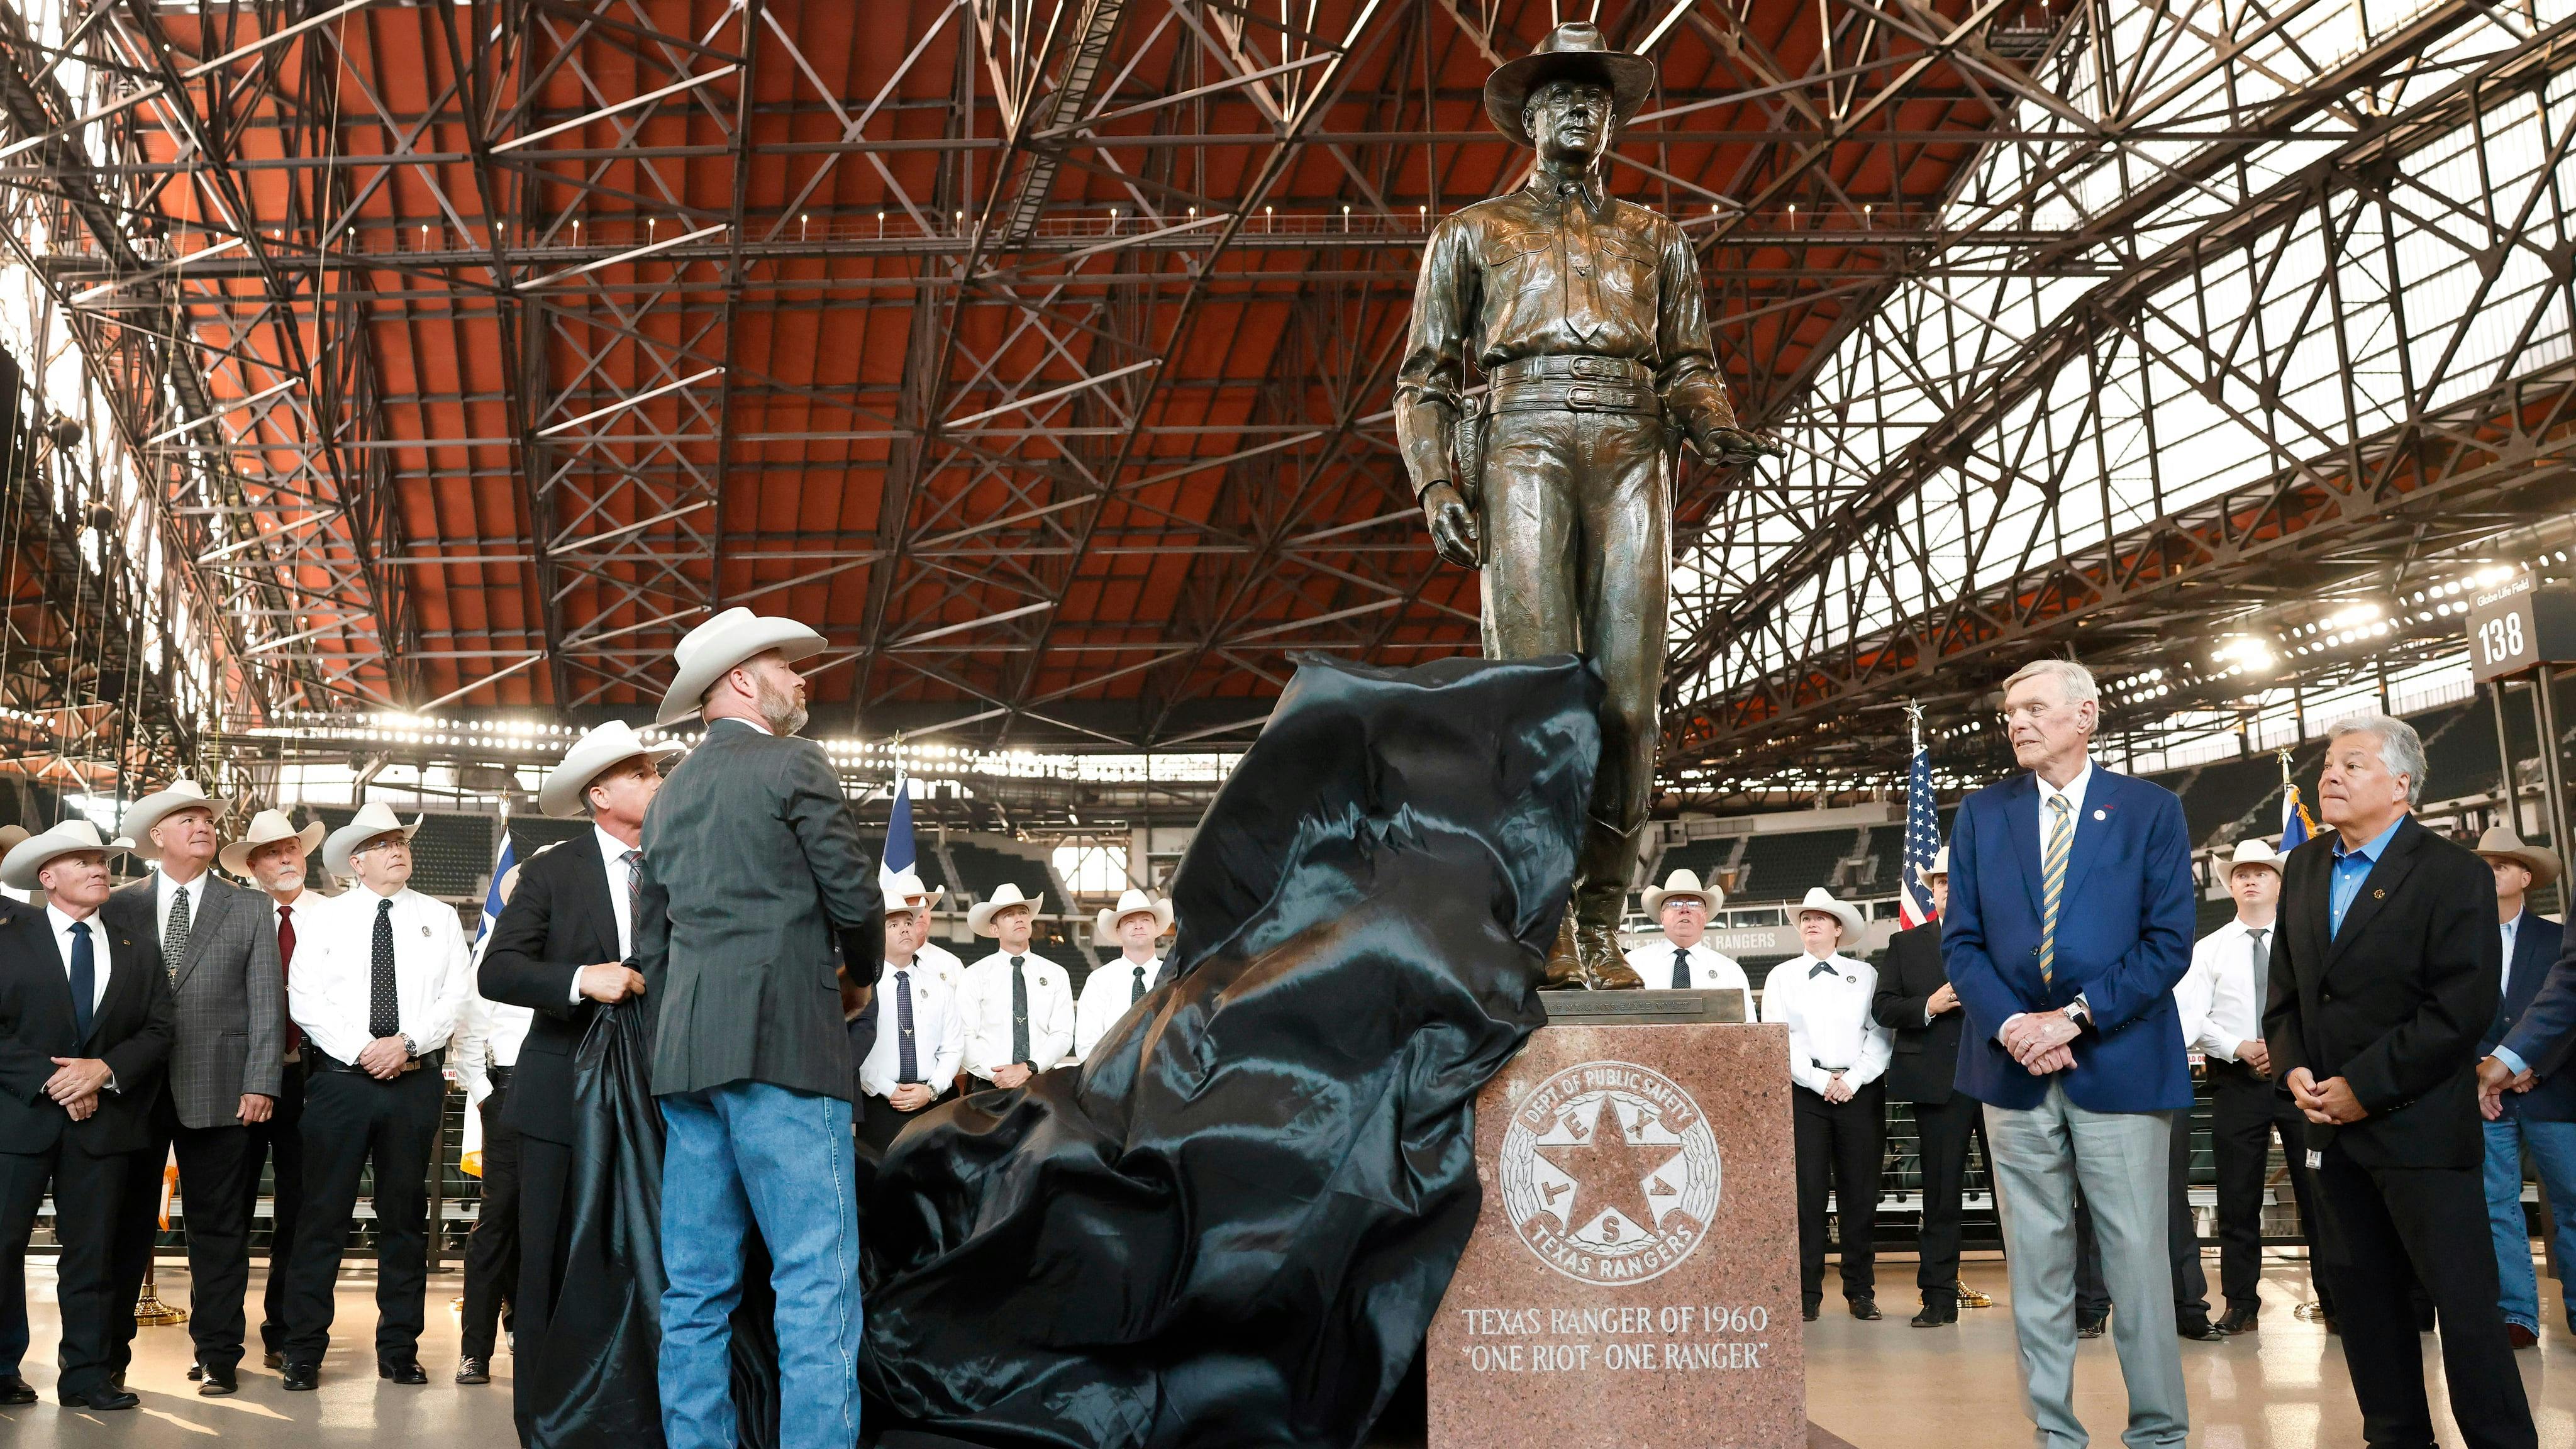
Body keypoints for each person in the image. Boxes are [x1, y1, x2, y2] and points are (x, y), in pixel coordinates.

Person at [1392, 22, 1779, 988]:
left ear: (1613, 123)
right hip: (1521, 436)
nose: (1580, 110)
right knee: (1534, 697)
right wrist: (1437, 477)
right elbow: (1425, 377)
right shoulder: (1473, 232)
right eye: (1561, 97)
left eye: (1598, 100)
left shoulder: (1658, 236)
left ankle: (1602, 921)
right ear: (1528, 118)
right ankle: (1543, 922)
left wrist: (1712, 421)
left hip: (1632, 444)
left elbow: (1691, 363)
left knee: (1629, 704)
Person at [635, 607, 884, 1449]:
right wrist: (862, 978)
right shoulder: (792, 762)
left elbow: (651, 946)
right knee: (817, 1280)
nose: (802, 678)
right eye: (787, 664)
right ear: (742, 680)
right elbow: (854, 897)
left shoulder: (666, 801)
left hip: (689, 1060)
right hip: (786, 1048)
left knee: (696, 1291)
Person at [1944, 657, 2194, 1449]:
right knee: (2035, 1268)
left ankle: (2156, 1433)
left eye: (2033, 708)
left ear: (2085, 714)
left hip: (2118, 1064)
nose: (2015, 722)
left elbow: (2167, 944)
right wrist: (2015, 1025)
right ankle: (2055, 1433)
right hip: (2010, 1069)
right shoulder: (1982, 814)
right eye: (2009, 711)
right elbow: (1962, 942)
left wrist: (2073, 1020)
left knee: (2136, 1266)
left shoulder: (2150, 810)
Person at [2265, 714, 2534, 1449]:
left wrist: (2364, 1085)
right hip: (2328, 1129)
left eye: (2353, 763)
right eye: (2328, 763)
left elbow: (2461, 1008)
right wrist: (2293, 1064)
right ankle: (2393, 1437)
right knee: (2364, 1306)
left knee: (2465, 1311)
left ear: (2401, 784)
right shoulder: (2307, 867)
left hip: (2419, 1131)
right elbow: (2285, 992)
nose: (2331, 774)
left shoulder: (2451, 873)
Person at [477, 721, 670, 1421]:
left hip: (667, 1096)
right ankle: (545, 1417)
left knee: (658, 1261)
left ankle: (644, 1413)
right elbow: (497, 971)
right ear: (599, 793)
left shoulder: (684, 862)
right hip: (561, 1096)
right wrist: (582, 978)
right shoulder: (553, 870)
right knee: (549, 1261)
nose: (658, 782)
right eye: (643, 774)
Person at [277, 801, 473, 1391]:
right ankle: (303, 1350)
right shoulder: (325, 920)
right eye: (384, 844)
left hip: (413, 1081)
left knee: (405, 1219)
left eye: (402, 842)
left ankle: (400, 1350)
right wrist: (366, 1048)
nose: (398, 850)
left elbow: (456, 996)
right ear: (356, 862)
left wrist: (406, 1043)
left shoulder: (439, 917)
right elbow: (305, 998)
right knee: (321, 1218)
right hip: (340, 1082)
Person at [98, 781, 284, 1397]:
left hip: (224, 1090)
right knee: (125, 1228)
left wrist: (262, 1081)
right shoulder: (119, 905)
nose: (203, 826)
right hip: (132, 1090)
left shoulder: (249, 907)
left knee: (220, 1230)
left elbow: (267, 1004)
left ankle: (219, 1354)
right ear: (158, 836)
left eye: (207, 818)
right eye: (188, 818)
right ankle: (107, 1355)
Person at [0, 820, 175, 1411]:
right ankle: (2, 1369)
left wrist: (101, 1070)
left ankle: (87, 1377)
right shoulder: (7, 936)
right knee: (2, 1248)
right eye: (81, 861)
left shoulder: (135, 944)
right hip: (19, 1121)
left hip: (105, 1125)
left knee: (95, 1256)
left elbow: (159, 1029)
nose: (99, 868)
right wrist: (59, 1081)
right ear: (47, 878)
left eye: (101, 860)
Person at [2174, 837, 2314, 1339]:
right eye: (2241, 873)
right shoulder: (2207, 951)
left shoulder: (2305, 943)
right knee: (2237, 1199)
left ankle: (2338, 1300)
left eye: (2262, 872)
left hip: (2304, 1082)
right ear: (2229, 885)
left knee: (2319, 1194)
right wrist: (2238, 1046)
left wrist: (2285, 1048)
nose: (2250, 879)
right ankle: (2240, 1303)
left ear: (2279, 883)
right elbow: (2191, 1019)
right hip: (2237, 1083)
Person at [220, 808, 323, 1369]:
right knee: (225, 1213)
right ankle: (219, 1342)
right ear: (253, 865)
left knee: (300, 1212)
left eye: (293, 849)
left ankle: (283, 1333)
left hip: (310, 1077)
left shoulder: (333, 917)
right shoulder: (233, 915)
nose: (287, 858)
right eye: (274, 852)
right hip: (241, 1079)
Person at [2462, 827, 2573, 1347]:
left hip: (2552, 1091)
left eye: (2499, 865)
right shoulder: (2458, 945)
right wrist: (2487, 1068)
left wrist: (2532, 1066)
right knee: (2494, 1205)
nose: (2488, 874)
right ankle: (2517, 1316)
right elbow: (2449, 1018)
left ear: (2525, 877)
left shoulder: (2557, 939)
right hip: (2486, 1097)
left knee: (2571, 1202)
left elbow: (2568, 1016)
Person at [1871, 847, 1989, 1327]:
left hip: (2000, 1077)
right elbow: (1883, 1008)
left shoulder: (1999, 939)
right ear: (1931, 890)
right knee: (1941, 1195)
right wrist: (1929, 1005)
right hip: (1938, 1082)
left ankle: (2038, 1299)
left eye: (1956, 879)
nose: (1949, 888)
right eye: (1941, 882)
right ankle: (1938, 1297)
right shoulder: (1906, 945)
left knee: (2017, 1197)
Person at [1762, 887, 1890, 1322]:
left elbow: (1881, 1034)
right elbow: (1775, 1036)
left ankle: (1860, 1290)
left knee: (1861, 1196)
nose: (1811, 923)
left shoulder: (1866, 975)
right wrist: (1820, 1081)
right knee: (1807, 1197)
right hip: (1804, 1092)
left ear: (1839, 929)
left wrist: (1852, 1079)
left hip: (1860, 1091)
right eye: (1805, 917)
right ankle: (1806, 1292)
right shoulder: (1781, 976)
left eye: (1821, 917)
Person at [453, 870, 527, 1388]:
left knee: (558, 1220)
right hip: (509, 1092)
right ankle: (474, 1350)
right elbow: (469, 1033)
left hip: (576, 1093)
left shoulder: (582, 947)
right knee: (498, 1223)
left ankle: (533, 1330)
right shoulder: (497, 951)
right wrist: (486, 1097)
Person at [858, 873, 963, 1151]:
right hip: (879, 1103)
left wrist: (930, 1090)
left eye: (908, 922)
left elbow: (953, 1048)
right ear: (877, 935)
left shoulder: (940, 988)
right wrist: (888, 1089)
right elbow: (853, 1049)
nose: (905, 929)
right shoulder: (862, 989)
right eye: (893, 924)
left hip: (931, 1104)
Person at [960, 884, 1075, 1089]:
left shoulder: (1056, 974)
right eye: (1009, 915)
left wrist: (1029, 1068)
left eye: (1023, 912)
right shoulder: (974, 975)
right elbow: (965, 1035)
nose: (1019, 918)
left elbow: (1062, 1034)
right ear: (994, 929)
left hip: (1042, 1082)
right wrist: (998, 1073)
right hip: (990, 1083)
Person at [1627, 869, 1752, 1018]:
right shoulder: (1633, 964)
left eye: (1693, 904)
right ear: (1662, 916)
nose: (1684, 910)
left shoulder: (1731, 972)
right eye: (1675, 904)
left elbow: (1749, 1030)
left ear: (1705, 917)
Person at [1077, 888, 1171, 1061]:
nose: (1138, 926)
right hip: (1110, 1079)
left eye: (1145, 919)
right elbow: (1086, 1045)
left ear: (1156, 927)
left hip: (1163, 1077)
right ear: (1118, 931)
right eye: (1130, 922)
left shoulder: (1173, 977)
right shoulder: (1099, 980)